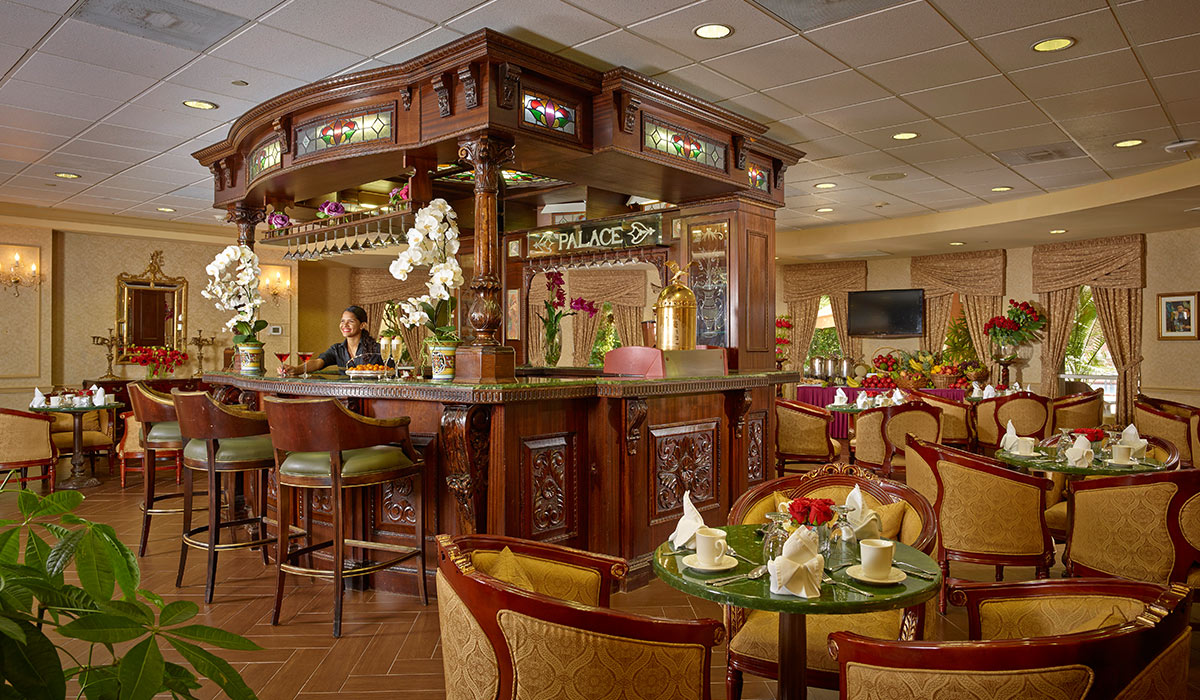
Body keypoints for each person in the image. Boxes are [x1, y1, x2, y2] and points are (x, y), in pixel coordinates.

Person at [279, 306, 383, 376]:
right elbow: (317, 363)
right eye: (342, 321)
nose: (345, 325)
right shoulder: (337, 349)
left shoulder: (377, 349)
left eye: (350, 321)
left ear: (362, 325)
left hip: (372, 397)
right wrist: (296, 369)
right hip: (344, 395)